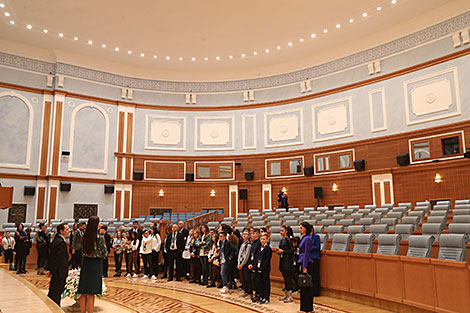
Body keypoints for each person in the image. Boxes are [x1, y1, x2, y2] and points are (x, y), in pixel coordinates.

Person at [78, 216, 108, 313]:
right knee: (91, 293)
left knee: (83, 291)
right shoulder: (99, 238)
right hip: (95, 264)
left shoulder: (84, 237)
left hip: (85, 263)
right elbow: (105, 252)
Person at [46, 223, 70, 306]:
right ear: (61, 231)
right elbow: (59, 260)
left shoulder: (56, 240)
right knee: (56, 293)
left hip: (56, 271)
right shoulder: (61, 243)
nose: (69, 231)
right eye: (67, 229)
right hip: (60, 272)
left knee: (54, 292)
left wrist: (50, 270)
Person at [298, 221, 319, 313]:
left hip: (307, 263)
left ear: (306, 228)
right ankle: (303, 307)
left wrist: (304, 267)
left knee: (307, 286)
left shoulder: (308, 239)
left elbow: (306, 253)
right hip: (303, 261)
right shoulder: (304, 238)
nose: (300, 229)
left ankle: (308, 308)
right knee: (303, 286)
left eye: (301, 227)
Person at [274, 225, 295, 303]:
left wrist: (283, 251)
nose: (280, 232)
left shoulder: (288, 240)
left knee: (288, 279)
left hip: (288, 262)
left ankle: (290, 295)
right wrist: (279, 251)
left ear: (286, 231)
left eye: (282, 230)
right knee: (285, 279)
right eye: (280, 231)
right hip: (282, 261)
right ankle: (286, 295)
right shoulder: (281, 240)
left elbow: (292, 251)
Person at [256, 233, 272, 304]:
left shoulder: (268, 249)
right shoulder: (260, 247)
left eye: (264, 239)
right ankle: (262, 296)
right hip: (259, 267)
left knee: (265, 283)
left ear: (267, 240)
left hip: (265, 268)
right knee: (260, 283)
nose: (262, 240)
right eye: (261, 239)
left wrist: (261, 268)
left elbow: (266, 260)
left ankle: (266, 298)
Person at [237, 229, 252, 298]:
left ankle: (249, 292)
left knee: (247, 278)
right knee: (243, 278)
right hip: (241, 263)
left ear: (248, 236)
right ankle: (245, 291)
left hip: (245, 263)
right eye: (243, 234)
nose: (244, 235)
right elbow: (239, 253)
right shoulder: (242, 244)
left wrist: (242, 264)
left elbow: (246, 256)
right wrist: (238, 262)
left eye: (246, 234)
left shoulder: (248, 245)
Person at [249, 228, 261, 302]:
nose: (251, 235)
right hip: (252, 263)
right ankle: (255, 294)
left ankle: (258, 295)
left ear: (257, 234)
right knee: (253, 280)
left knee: (257, 281)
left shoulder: (259, 243)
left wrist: (254, 265)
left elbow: (257, 256)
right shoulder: (253, 243)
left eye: (253, 234)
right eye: (251, 234)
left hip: (256, 265)